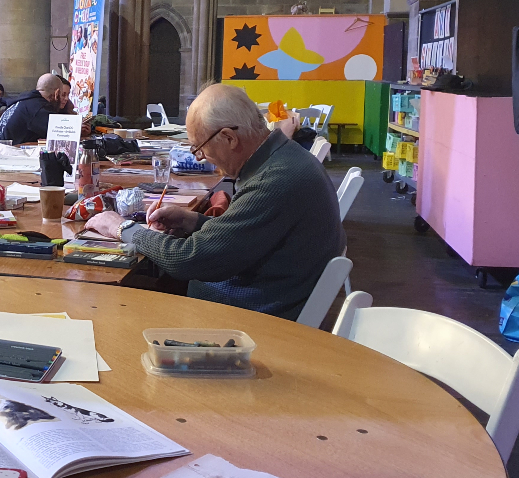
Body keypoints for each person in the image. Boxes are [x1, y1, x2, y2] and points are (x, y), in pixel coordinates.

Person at [84, 83, 345, 320]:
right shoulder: (282, 158)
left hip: (255, 319)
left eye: (200, 148)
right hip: (273, 295)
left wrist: (122, 228)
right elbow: (249, 234)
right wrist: (195, 221)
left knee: (115, 310)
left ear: (230, 138)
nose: (199, 158)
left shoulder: (274, 180)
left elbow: (188, 259)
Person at [0, 73, 66, 145]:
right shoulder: (39, 109)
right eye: (62, 95)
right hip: (2, 155)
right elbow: (65, 134)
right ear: (57, 93)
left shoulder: (25, 101)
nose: (65, 99)